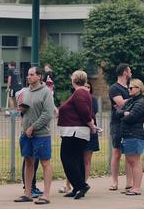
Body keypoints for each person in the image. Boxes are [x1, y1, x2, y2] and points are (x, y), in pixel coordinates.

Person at [14, 67, 55, 205]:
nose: (29, 77)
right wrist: (22, 110)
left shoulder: (46, 92)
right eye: (28, 74)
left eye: (31, 74)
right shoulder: (26, 92)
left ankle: (46, 194)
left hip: (41, 134)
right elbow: (27, 111)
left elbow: (48, 114)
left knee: (45, 162)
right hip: (26, 134)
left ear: (39, 76)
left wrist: (33, 127)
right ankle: (28, 193)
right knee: (28, 161)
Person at [57, 70, 97, 200]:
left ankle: (81, 185)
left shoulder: (79, 92)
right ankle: (76, 188)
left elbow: (84, 111)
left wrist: (91, 125)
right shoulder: (82, 92)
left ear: (74, 79)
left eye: (72, 76)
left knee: (67, 158)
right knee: (77, 159)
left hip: (74, 132)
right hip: (77, 131)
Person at [117, 78, 144, 196]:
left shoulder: (140, 103)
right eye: (128, 88)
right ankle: (134, 187)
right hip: (129, 135)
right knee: (131, 161)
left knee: (135, 162)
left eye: (131, 88)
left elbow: (131, 118)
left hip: (134, 135)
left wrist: (124, 114)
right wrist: (124, 113)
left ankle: (136, 188)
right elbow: (117, 113)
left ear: (139, 89)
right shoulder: (131, 101)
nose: (129, 90)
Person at [108, 63, 132, 191]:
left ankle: (129, 182)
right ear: (125, 73)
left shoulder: (130, 87)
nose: (131, 73)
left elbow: (125, 103)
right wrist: (133, 99)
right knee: (117, 153)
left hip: (129, 123)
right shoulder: (114, 88)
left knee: (129, 153)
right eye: (130, 71)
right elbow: (120, 103)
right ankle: (114, 182)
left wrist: (128, 101)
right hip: (117, 123)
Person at [84, 82, 101, 183]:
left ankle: (84, 182)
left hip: (91, 132)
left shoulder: (93, 100)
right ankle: (69, 184)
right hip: (79, 132)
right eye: (85, 87)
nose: (86, 89)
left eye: (88, 87)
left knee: (87, 159)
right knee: (75, 159)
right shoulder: (74, 98)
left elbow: (91, 112)